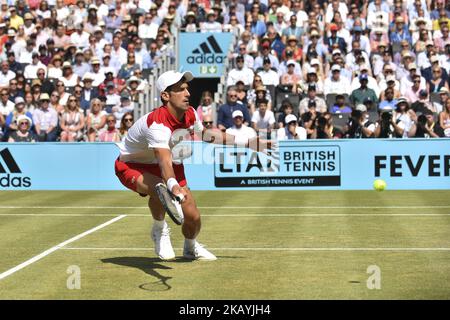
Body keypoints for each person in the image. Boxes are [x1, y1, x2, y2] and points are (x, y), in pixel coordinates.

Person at [114, 70, 271, 261]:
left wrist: (249, 143)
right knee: (160, 188)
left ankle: (190, 247)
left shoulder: (190, 113)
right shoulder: (157, 124)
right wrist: (173, 187)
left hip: (166, 162)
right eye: (181, 90)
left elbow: (206, 135)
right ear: (165, 96)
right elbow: (163, 160)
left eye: (187, 89)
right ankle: (159, 229)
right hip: (132, 165)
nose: (188, 93)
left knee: (193, 217)